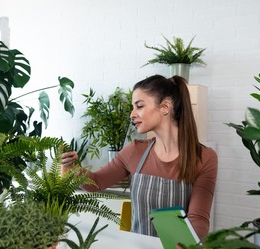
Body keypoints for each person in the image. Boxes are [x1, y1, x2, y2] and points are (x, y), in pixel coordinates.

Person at [61, 74, 218, 239]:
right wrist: (73, 167)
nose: (132, 115)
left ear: (165, 107)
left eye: (139, 106)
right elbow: (96, 183)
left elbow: (198, 220)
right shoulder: (134, 151)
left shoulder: (204, 157)